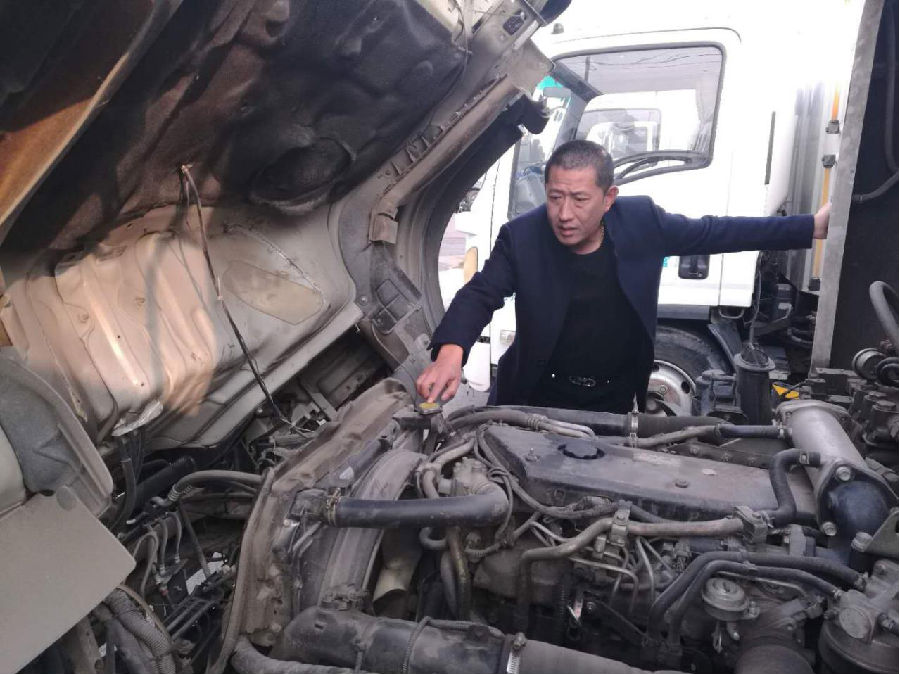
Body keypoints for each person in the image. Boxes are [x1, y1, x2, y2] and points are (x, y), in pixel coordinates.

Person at [416, 140, 830, 413]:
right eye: (555, 197)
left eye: (579, 199)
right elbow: (481, 293)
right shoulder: (522, 236)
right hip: (532, 395)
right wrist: (451, 353)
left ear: (609, 198)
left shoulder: (642, 221)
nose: (564, 214)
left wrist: (808, 226)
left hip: (611, 400)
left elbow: (714, 231)